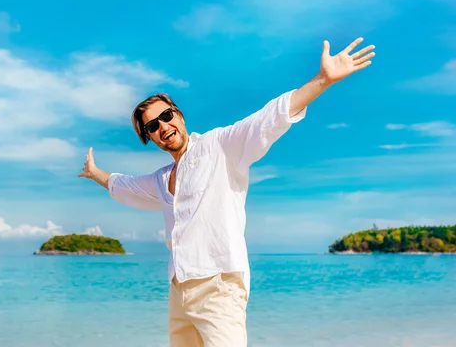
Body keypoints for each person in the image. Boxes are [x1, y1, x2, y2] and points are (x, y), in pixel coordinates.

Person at [78, 37, 375, 346]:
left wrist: (322, 80)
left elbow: (267, 120)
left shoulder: (220, 146)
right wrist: (95, 173)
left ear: (178, 115)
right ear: (149, 137)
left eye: (166, 116)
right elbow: (124, 186)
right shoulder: (161, 179)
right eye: (152, 126)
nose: (163, 126)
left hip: (218, 285)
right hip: (179, 290)